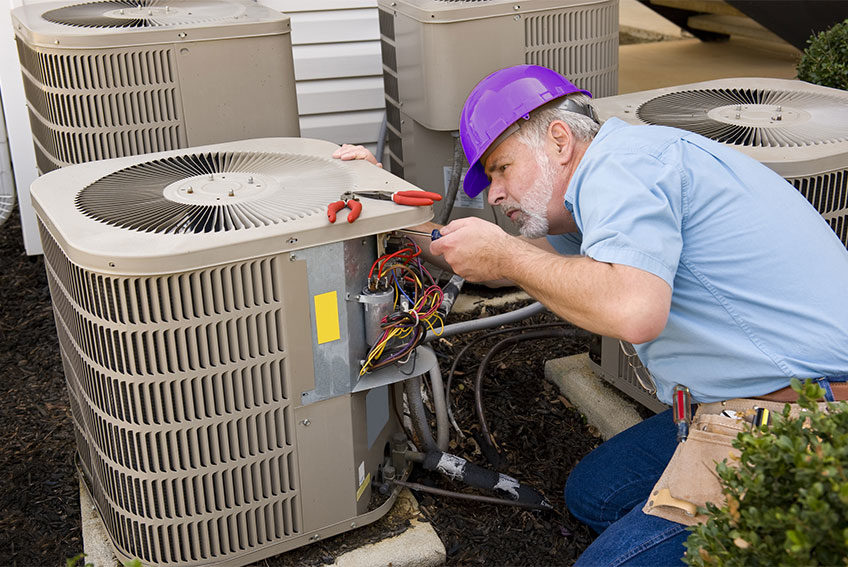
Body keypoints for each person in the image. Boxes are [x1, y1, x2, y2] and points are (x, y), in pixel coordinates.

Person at [336, 64, 848, 565]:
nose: (493, 194)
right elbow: (500, 268)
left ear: (559, 139)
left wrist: (510, 254)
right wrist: (391, 209)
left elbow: (632, 311)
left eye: (501, 168)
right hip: (749, 395)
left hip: (808, 413)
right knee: (594, 494)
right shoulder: (592, 192)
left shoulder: (623, 167)